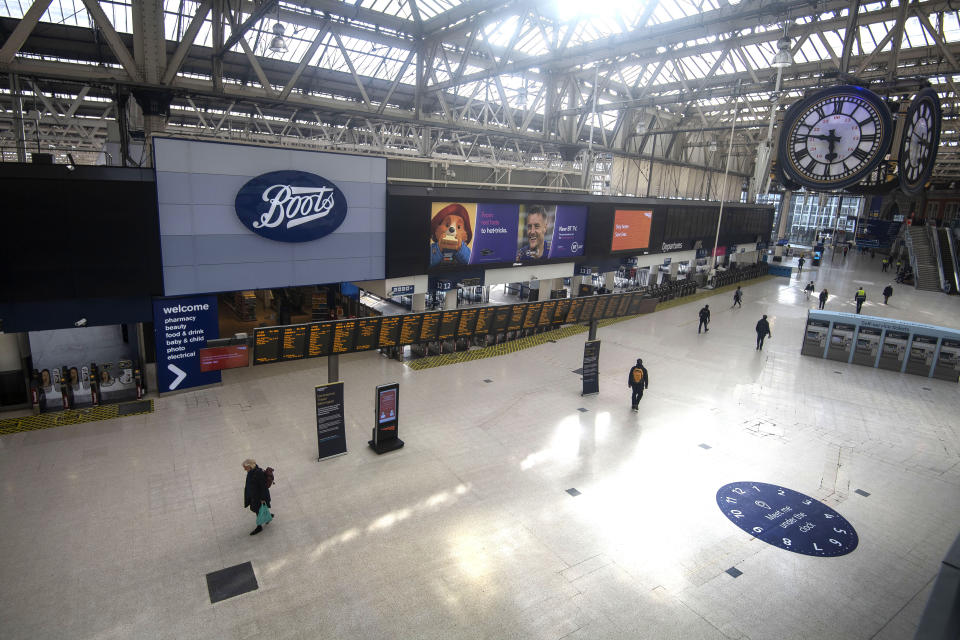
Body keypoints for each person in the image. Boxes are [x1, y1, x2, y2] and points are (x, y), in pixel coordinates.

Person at [243, 458, 272, 536]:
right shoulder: (251, 472)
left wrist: (262, 499)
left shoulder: (258, 473)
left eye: (245, 467)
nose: (244, 469)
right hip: (254, 496)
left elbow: (263, 487)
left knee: (257, 510)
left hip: (258, 497)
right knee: (258, 509)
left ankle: (259, 526)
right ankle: (268, 516)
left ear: (250, 466)